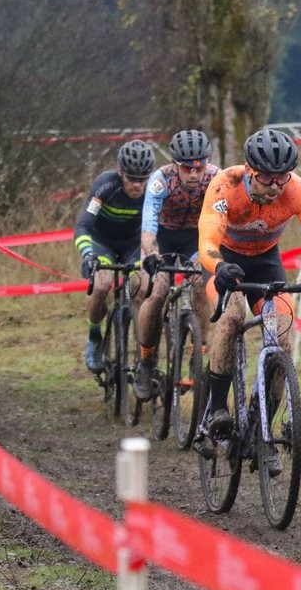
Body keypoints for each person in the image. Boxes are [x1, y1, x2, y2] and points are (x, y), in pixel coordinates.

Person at [196, 128, 301, 446]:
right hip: (224, 263)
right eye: (267, 178)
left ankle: (259, 427)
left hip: (266, 261)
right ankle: (217, 410)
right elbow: (208, 241)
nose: (276, 186)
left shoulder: (298, 190)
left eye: (282, 177)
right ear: (251, 171)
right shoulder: (226, 184)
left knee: (282, 338)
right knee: (232, 316)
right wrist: (219, 267)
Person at [133, 130, 222, 401]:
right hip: (163, 238)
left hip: (196, 239)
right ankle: (146, 362)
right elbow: (148, 226)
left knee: (199, 283)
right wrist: (151, 253)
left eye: (199, 166)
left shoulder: (216, 178)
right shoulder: (160, 180)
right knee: (158, 291)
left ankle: (199, 351)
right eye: (187, 167)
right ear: (175, 164)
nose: (194, 174)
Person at [75, 139, 156, 372]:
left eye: (142, 179)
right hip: (103, 243)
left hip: (132, 244)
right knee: (102, 286)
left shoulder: (153, 189)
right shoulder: (105, 185)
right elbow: (83, 225)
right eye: (132, 178)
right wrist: (88, 253)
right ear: (120, 172)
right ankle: (93, 337)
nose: (137, 185)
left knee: (141, 288)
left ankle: (145, 354)